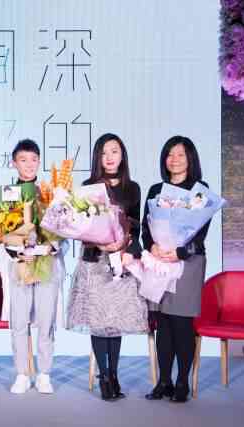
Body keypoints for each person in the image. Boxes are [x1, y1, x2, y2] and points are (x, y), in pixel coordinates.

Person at [67, 133, 148, 401]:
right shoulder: (88, 186)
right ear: (97, 158)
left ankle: (114, 374)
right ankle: (103, 376)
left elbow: (135, 226)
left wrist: (123, 244)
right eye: (104, 153)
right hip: (95, 260)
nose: (109, 157)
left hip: (120, 261)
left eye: (114, 151)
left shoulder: (133, 188)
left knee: (115, 321)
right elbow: (81, 227)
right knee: (98, 321)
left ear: (122, 155)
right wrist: (101, 242)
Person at [143, 136, 209, 403]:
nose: (174, 160)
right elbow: (145, 227)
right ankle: (164, 381)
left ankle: (182, 382)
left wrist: (179, 252)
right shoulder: (156, 189)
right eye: (170, 154)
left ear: (190, 158)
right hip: (159, 261)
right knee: (163, 323)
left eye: (180, 154)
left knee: (181, 322)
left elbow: (201, 231)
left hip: (187, 263)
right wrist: (152, 246)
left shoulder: (200, 190)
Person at [7, 139, 66, 395]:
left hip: (47, 263)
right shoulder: (7, 194)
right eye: (23, 160)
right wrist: (16, 250)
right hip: (20, 264)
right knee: (19, 321)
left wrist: (52, 246)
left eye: (33, 160)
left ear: (39, 162)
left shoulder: (50, 193)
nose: (29, 165)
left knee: (46, 320)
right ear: (14, 163)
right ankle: (22, 373)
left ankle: (44, 373)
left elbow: (64, 229)